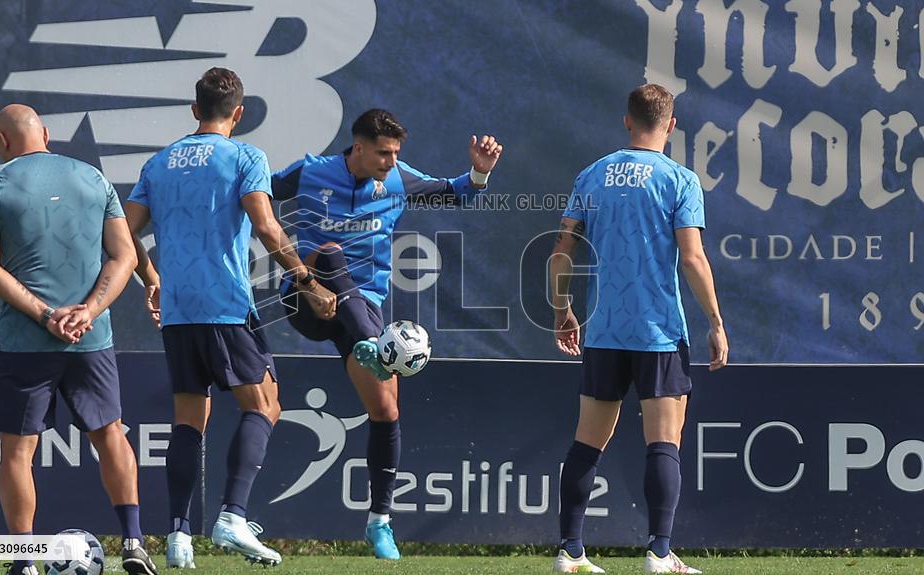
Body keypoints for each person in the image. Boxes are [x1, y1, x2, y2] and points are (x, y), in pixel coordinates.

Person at [124, 67, 335, 569]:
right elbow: (266, 225)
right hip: (225, 304)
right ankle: (233, 516)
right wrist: (308, 282)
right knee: (265, 404)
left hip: (178, 311)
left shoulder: (159, 162)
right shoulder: (245, 156)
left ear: (194, 110)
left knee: (188, 417)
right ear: (238, 114)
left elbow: (123, 233)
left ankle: (178, 535)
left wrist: (153, 278)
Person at [270, 108, 502, 559]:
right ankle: (376, 346)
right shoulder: (311, 172)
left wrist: (480, 171)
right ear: (358, 148)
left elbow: (456, 193)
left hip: (359, 311)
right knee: (330, 252)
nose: (391, 162)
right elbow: (257, 195)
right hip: (306, 297)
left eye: (395, 153)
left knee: (386, 409)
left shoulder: (398, 178)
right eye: (383, 153)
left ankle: (380, 523)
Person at [549, 84, 728, 574]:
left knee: (587, 442)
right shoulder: (680, 180)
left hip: (604, 331)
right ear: (671, 126)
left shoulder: (592, 174)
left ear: (626, 120)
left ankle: (570, 550)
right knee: (663, 442)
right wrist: (715, 322)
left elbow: (561, 251)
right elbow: (692, 257)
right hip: (658, 333)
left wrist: (562, 309)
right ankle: (659, 552)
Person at [0, 105, 156, 575]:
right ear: (47, 134)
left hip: (25, 342)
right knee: (110, 434)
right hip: (91, 337)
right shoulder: (94, 178)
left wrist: (47, 315)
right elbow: (126, 258)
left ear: (1, 141)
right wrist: (88, 311)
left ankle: (23, 560)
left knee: (18, 451)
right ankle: (134, 542)